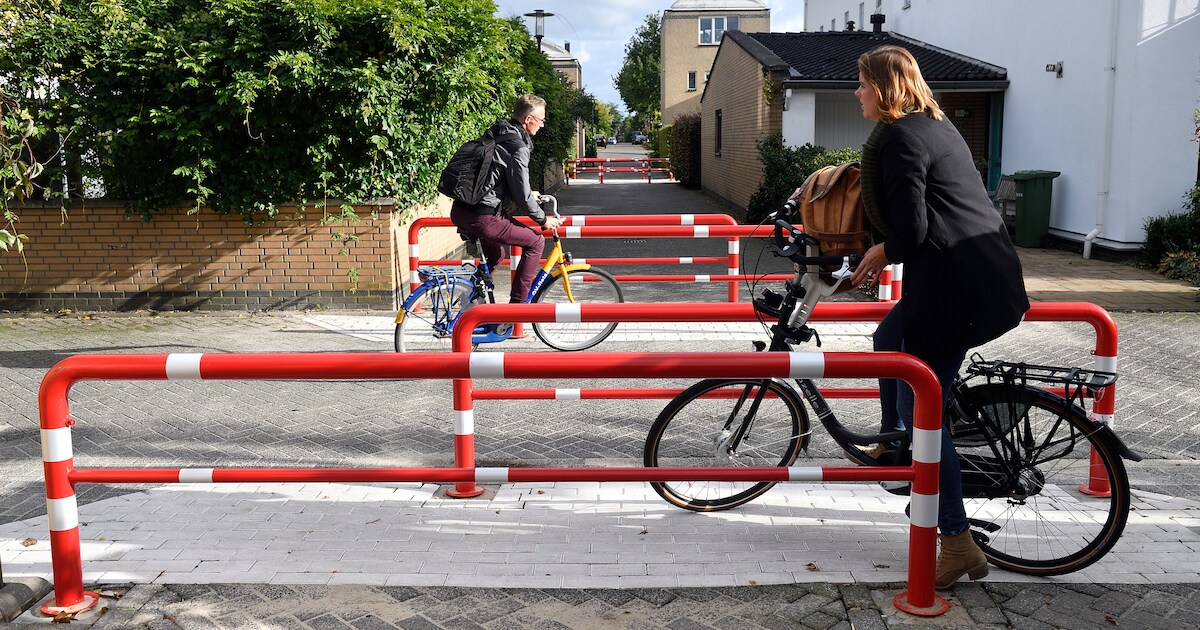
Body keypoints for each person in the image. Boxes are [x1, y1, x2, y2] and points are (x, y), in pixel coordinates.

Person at [842, 46, 1030, 589]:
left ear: (883, 87)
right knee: (888, 337)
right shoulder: (937, 124)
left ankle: (957, 540)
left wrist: (881, 251)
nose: (857, 92)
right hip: (984, 275)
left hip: (957, 291)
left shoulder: (901, 138)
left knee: (919, 402)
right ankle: (898, 442)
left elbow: (914, 230)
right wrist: (888, 247)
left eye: (862, 83)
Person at [450, 94, 564, 305]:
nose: (542, 125)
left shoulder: (497, 134)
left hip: (462, 210)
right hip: (483, 217)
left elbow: (498, 179)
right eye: (541, 120)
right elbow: (521, 195)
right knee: (536, 242)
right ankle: (516, 310)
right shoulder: (518, 147)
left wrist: (529, 194)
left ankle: (468, 301)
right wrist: (542, 219)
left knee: (495, 255)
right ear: (528, 119)